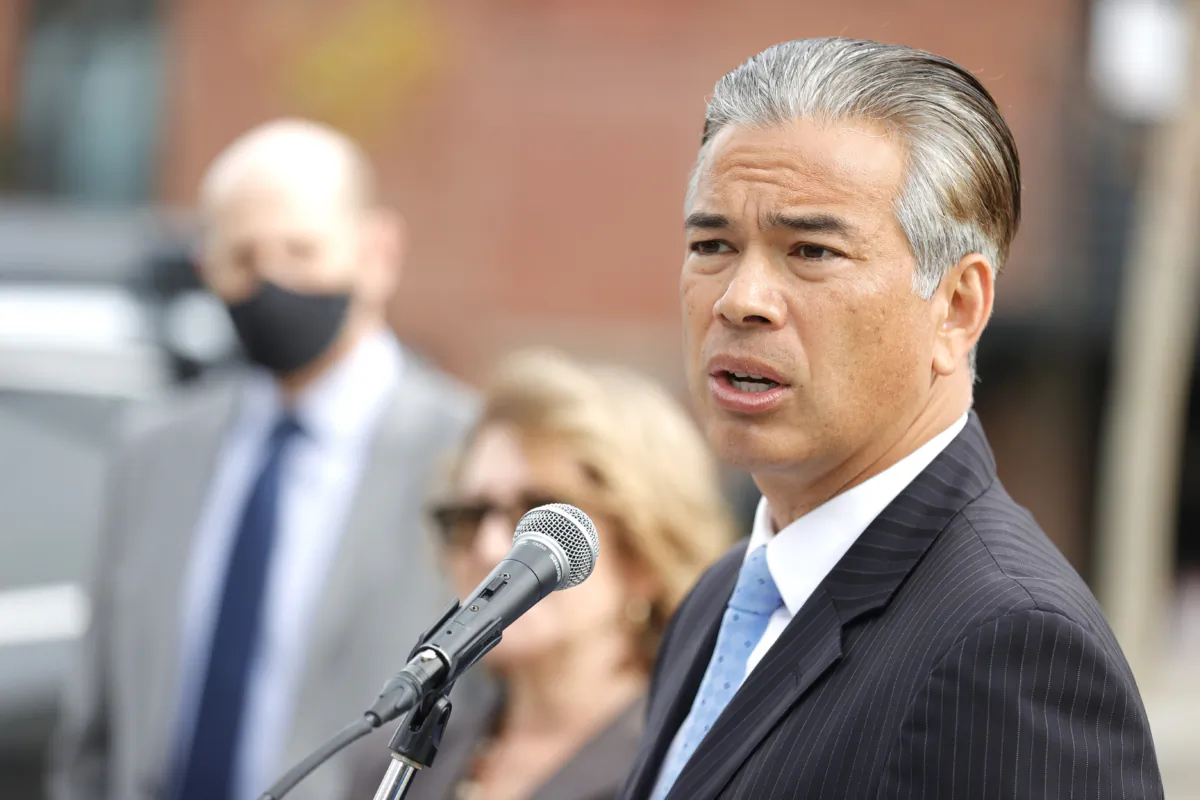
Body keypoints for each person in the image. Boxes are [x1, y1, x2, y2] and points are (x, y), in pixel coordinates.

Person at [621, 38, 1164, 800]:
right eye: (712, 244)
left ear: (957, 307)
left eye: (810, 251)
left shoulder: (1012, 645)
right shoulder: (717, 600)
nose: (739, 299)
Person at [48, 119, 476, 800]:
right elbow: (94, 726)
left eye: (301, 250)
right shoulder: (152, 450)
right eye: (243, 258)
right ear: (207, 268)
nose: (272, 280)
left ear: (378, 252)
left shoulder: (468, 459)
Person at [352, 348, 735, 800]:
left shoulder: (690, 766)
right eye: (471, 514)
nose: (491, 548)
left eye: (539, 518)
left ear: (644, 556)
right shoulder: (392, 764)